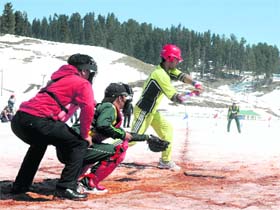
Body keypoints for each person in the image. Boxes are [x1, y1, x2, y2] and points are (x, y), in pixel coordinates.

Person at [10, 53, 97, 201]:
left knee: (39, 143)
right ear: (84, 70)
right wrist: (84, 134)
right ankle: (66, 187)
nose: (89, 75)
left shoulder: (57, 79)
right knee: (79, 143)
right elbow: (88, 109)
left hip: (19, 120)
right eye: (89, 72)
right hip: (38, 121)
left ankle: (21, 185)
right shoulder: (82, 83)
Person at [63, 82, 152, 194]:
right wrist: (123, 134)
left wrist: (146, 137)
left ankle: (74, 179)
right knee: (117, 151)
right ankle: (88, 183)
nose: (127, 101)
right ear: (119, 97)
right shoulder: (110, 108)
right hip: (76, 148)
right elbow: (103, 125)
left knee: (98, 149)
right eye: (126, 97)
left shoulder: (103, 107)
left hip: (71, 148)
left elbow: (122, 133)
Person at [130, 44, 203, 171]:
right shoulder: (160, 75)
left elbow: (182, 76)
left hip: (152, 112)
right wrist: (194, 93)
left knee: (167, 130)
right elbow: (176, 98)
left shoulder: (167, 70)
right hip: (143, 111)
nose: (177, 62)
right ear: (169, 58)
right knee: (132, 139)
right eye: (176, 60)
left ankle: (165, 161)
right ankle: (104, 152)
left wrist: (196, 83)